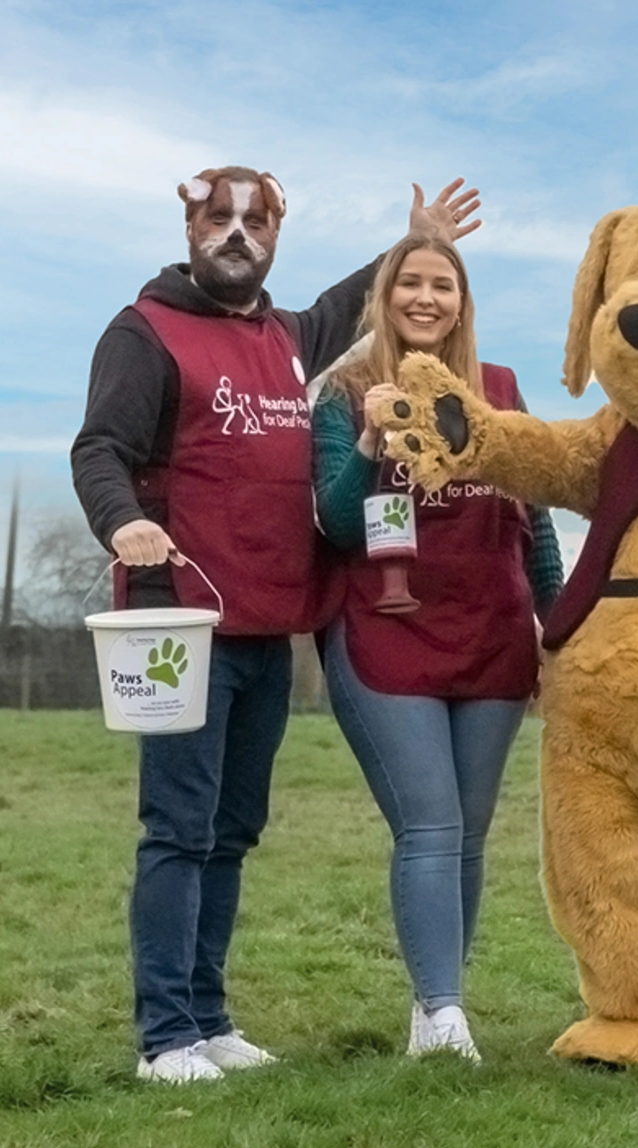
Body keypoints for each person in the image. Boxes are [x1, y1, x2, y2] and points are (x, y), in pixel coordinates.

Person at [71, 170, 480, 1084]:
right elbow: (100, 445)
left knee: (233, 827)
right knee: (178, 826)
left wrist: (409, 239)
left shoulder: (289, 338)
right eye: (220, 220)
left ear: (276, 236)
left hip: (268, 624)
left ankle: (210, 1018)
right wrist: (118, 521)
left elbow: (349, 306)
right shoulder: (145, 333)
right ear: (190, 225)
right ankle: (165, 1034)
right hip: (179, 615)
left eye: (255, 224)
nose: (237, 236)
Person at [312, 230, 563, 1063]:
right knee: (429, 824)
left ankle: (434, 1010)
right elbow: (339, 523)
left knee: (469, 832)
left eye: (443, 286)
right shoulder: (344, 395)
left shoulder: (498, 392)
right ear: (383, 299)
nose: (425, 298)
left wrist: (558, 627)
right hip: (388, 637)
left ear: (463, 303)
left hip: (493, 636)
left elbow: (536, 521)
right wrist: (378, 443)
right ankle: (447, 1012)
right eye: (409, 284)